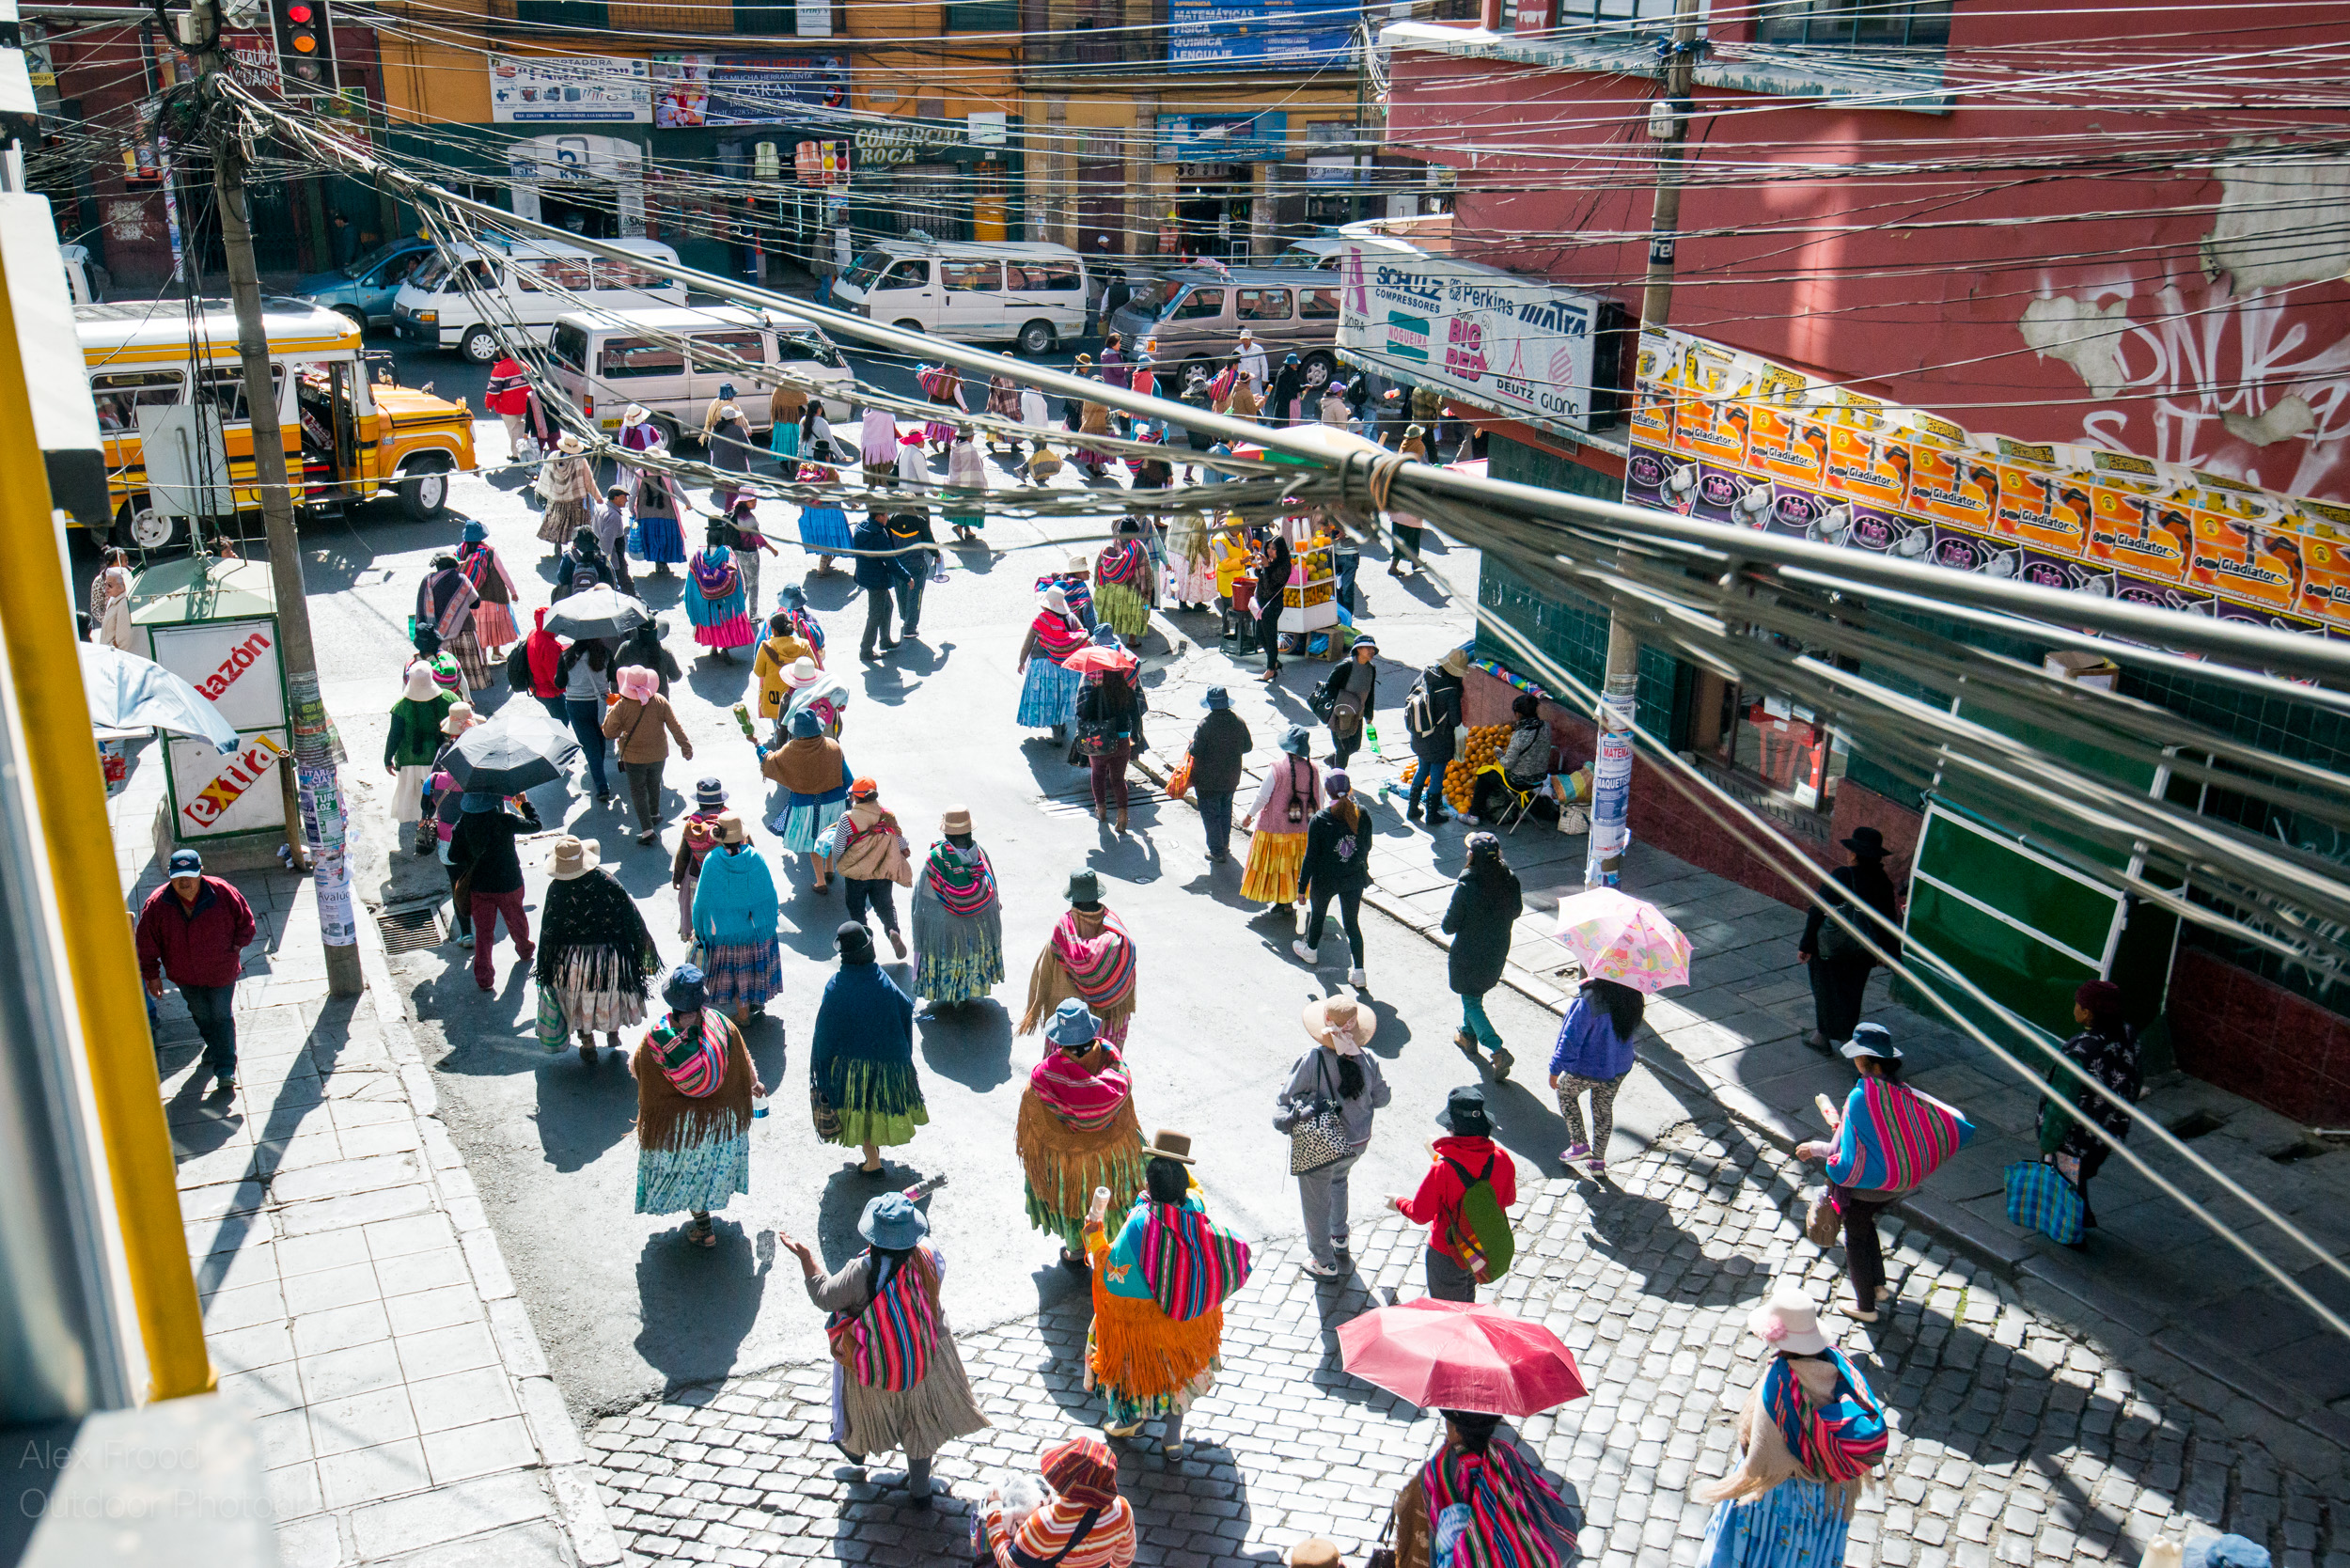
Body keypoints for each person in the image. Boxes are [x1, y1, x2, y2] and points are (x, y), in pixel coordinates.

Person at [779, 1192, 988, 1508]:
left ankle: (855, 1447)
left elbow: (825, 1297)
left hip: (875, 1362)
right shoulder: (928, 1255)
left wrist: (806, 1259)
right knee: (920, 1421)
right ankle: (921, 1491)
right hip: (927, 1357)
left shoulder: (860, 1270)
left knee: (866, 1413)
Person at [1081, 1129, 1250, 1453]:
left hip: (1146, 1325)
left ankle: (1130, 1422)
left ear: (1147, 1185)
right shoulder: (1196, 1208)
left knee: (1133, 1370)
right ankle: (1173, 1439)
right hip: (1188, 1317)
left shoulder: (1140, 1223)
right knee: (1178, 1378)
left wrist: (1094, 1235)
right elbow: (1195, 1191)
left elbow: (1111, 1271)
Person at [1794, 1023, 1973, 1323]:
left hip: (1866, 1188)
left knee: (1855, 1239)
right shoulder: (1901, 1091)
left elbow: (1840, 1151)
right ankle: (1878, 1287)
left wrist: (1811, 1148)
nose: (1854, 1061)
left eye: (1857, 1056)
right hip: (1897, 1184)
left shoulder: (1860, 1097)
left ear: (1866, 1061)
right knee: (1865, 1227)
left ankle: (1865, 1306)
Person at [1697, 1286, 1885, 1567]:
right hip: (1826, 1496)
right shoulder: (1840, 1366)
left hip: (1781, 1499)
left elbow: (1757, 1457)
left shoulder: (1777, 1385)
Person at [633, 964, 759, 1248]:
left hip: (680, 1127)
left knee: (688, 1173)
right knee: (708, 1168)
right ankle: (706, 1220)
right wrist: (753, 1084)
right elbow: (743, 1059)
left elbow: (637, 1068)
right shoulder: (719, 1024)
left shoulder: (658, 1035)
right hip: (718, 1120)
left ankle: (704, 1228)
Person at [1016, 998, 1147, 1266]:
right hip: (1111, 1159)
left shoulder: (1043, 1078)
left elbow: (1035, 1122)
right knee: (1114, 1199)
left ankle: (1077, 1251)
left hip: (1071, 1165)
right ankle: (1118, 1248)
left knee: (1075, 1204)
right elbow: (1129, 1116)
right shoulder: (1116, 1067)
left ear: (1060, 1040)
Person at [1277, 997, 1391, 1278]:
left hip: (1323, 1143)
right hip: (1357, 1143)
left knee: (1315, 1202)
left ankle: (1323, 1262)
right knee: (1339, 1180)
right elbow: (1382, 1098)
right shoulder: (1367, 1059)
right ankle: (1339, 1237)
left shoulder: (1312, 1059)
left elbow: (1285, 1097)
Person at [1387, 1410, 1581, 1568]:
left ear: (1455, 1429)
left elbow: (1433, 1535)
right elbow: (1532, 1495)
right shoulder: (1505, 1453)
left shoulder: (1442, 1469)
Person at [136, 849, 256, 1097]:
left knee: (221, 1015)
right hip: (186, 976)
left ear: (200, 873)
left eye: (190, 875)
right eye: (178, 876)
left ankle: (225, 1070)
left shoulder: (222, 892)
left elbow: (246, 923)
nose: (184, 882)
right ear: (170, 877)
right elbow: (146, 945)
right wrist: (152, 976)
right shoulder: (157, 905)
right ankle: (214, 1046)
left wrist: (235, 947)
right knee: (201, 1014)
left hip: (220, 972)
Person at [809, 920, 928, 1172]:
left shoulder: (835, 986)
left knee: (860, 1108)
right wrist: (901, 1049)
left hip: (851, 1066)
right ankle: (873, 1155)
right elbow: (906, 1006)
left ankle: (872, 1162)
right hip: (887, 1060)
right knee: (874, 1108)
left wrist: (823, 1067)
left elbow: (824, 1033)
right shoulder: (880, 979)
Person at [535, 835, 656, 1065]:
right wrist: (641, 948)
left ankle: (587, 1041)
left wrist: (546, 964)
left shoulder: (557, 889)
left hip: (572, 960)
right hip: (610, 957)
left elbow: (549, 928)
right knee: (609, 997)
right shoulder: (607, 880)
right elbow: (630, 915)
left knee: (580, 1000)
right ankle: (612, 1032)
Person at [1390, 1085, 1516, 1303]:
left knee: (1449, 1312)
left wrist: (1397, 1202)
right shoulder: (1501, 1158)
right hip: (1480, 1248)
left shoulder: (1443, 1169)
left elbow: (1420, 1214)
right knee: (1467, 1298)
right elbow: (1508, 1199)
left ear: (1453, 1129)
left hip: (1448, 1253)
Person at [2042, 979, 2142, 1235]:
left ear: (2087, 1013)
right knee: (2079, 1174)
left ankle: (2070, 1231)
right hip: (2108, 1130)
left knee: (2066, 1175)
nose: (2074, 1007)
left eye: (2078, 1004)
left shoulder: (2081, 1051)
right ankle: (2083, 1216)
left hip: (2074, 1135)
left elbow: (2061, 1104)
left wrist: (2048, 1141)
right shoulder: (2128, 1036)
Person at [1797, 825, 1902, 1055]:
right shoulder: (1883, 882)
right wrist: (1886, 954)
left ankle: (1825, 1036)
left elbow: (1818, 909)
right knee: (1851, 995)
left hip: (1833, 949)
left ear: (1854, 854)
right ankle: (1840, 1035)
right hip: (1862, 953)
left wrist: (1806, 945)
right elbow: (1888, 921)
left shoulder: (1844, 875)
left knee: (1825, 989)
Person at [1019, 870, 1139, 1047]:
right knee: (1101, 1060)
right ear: (1096, 895)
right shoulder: (1117, 932)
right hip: (1108, 1018)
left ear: (1073, 898)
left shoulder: (1063, 929)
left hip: (1072, 1022)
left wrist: (1035, 1006)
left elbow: (1043, 970)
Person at [977, 1435, 1137, 1567]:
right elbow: (1123, 1559)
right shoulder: (1122, 1510)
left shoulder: (1043, 1524)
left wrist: (995, 1511)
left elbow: (1007, 1563)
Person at [1443, 832, 1523, 1078]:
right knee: (1474, 996)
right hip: (1497, 949)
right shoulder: (1510, 880)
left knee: (1471, 1000)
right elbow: (1517, 911)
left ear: (1472, 856)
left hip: (1469, 954)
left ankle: (1498, 1049)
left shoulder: (1467, 886)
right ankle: (1467, 1035)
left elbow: (1448, 926)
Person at [692, 813, 783, 1027]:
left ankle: (742, 1016)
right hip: (755, 928)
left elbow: (702, 901)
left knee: (735, 975)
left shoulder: (713, 861)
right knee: (753, 968)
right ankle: (754, 1002)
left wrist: (699, 929)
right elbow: (769, 893)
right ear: (742, 837)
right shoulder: (755, 857)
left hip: (726, 932)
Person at [910, 806, 1004, 1009]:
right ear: (970, 831)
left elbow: (922, 897)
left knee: (952, 956)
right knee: (971, 954)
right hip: (977, 925)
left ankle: (952, 995)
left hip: (947, 929)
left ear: (946, 833)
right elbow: (992, 884)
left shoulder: (936, 859)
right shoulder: (980, 854)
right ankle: (970, 991)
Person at [1550, 977, 1645, 1176]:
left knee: (1565, 1093)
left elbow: (1571, 1039)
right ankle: (1598, 1162)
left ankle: (1579, 1143)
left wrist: (1555, 1068)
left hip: (1588, 1068)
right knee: (1603, 1109)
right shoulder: (1633, 996)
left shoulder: (1589, 1000)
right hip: (1618, 1067)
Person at [451, 791, 542, 991]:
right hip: (509, 882)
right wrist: (524, 804)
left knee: (484, 933)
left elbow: (453, 856)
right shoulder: (505, 820)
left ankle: (484, 978)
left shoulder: (463, 824)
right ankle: (525, 950)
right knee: (516, 918)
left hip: (479, 886)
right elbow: (536, 825)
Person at [1293, 770, 1373, 983]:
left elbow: (1310, 857)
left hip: (1325, 879)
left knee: (1318, 915)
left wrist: (1302, 888)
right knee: (1352, 925)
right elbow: (1366, 847)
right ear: (1350, 788)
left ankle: (1311, 950)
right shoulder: (1362, 813)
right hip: (1354, 877)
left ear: (1326, 792)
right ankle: (1359, 972)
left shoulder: (1320, 819)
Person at [822, 777, 913, 959]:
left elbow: (838, 847)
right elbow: (901, 842)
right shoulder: (887, 815)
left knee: (857, 910)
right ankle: (893, 932)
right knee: (885, 906)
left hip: (856, 874)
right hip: (881, 872)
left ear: (855, 796)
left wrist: (840, 863)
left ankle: (866, 947)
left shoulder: (847, 819)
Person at [603, 665, 694, 844]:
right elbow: (675, 726)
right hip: (659, 753)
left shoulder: (621, 707)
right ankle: (655, 813)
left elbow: (608, 732)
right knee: (654, 783)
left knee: (638, 791)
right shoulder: (659, 701)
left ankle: (647, 830)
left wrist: (612, 715)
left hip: (634, 758)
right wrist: (686, 747)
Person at [1239, 726, 1322, 925]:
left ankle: (1282, 900)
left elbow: (1263, 797)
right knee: (1296, 867)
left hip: (1275, 828)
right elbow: (1320, 799)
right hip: (1304, 831)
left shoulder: (1276, 768)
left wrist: (1249, 816)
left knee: (1277, 867)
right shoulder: (1314, 769)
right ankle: (1288, 900)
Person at [761, 708, 853, 886]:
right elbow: (847, 777)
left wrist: (759, 749)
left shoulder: (791, 750)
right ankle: (829, 869)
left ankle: (820, 882)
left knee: (814, 844)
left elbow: (772, 762)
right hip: (835, 803)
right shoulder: (833, 746)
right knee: (830, 835)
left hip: (808, 806)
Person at [1073, 635, 1142, 834]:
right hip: (1122, 742)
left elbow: (1083, 714)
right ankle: (1122, 816)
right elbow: (1136, 717)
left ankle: (1101, 810)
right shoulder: (1127, 692)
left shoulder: (1096, 692)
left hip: (1100, 742)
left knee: (1098, 775)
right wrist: (1135, 736)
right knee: (1118, 780)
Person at [1466, 693, 1557, 825]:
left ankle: (1473, 815)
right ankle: (1521, 810)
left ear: (1518, 714)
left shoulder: (1519, 735)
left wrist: (1498, 753)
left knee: (1484, 774)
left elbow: (1507, 764)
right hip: (1539, 779)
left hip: (1519, 781)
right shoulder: (1546, 727)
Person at [385, 664, 456, 829]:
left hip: (410, 759)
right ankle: (439, 818)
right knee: (439, 791)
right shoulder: (448, 698)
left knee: (415, 791)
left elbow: (394, 736)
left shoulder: (401, 706)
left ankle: (421, 819)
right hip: (440, 758)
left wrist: (387, 759)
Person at [1187, 686, 1252, 865]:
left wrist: (1191, 744)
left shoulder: (1205, 725)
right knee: (1225, 811)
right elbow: (1247, 747)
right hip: (1231, 778)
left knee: (1211, 815)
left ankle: (1217, 851)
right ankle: (1224, 845)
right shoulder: (1238, 721)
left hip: (1208, 781)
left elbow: (1196, 751)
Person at [1015, 585, 1089, 739]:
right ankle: (1061, 727)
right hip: (1068, 667)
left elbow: (1028, 643)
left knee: (1050, 701)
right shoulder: (1071, 618)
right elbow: (1083, 637)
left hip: (1043, 667)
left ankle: (1056, 734)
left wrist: (1022, 661)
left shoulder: (1040, 620)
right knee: (1063, 700)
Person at [1403, 649, 1468, 824]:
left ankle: (1412, 808)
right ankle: (1432, 814)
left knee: (1422, 769)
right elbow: (1455, 721)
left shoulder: (1425, 676)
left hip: (1420, 736)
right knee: (1437, 775)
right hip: (1440, 741)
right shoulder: (1451, 690)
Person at [668, 778, 731, 941]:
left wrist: (677, 876)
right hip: (725, 879)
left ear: (700, 803)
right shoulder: (729, 822)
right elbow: (747, 847)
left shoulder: (692, 824)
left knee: (699, 920)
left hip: (697, 878)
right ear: (721, 800)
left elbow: (683, 853)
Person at [415, 553, 489, 693]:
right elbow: (476, 603)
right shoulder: (461, 579)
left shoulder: (427, 580)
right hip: (463, 629)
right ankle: (467, 692)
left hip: (437, 635)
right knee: (465, 667)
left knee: (445, 668)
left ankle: (447, 690)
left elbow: (421, 606)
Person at [682, 521, 753, 661]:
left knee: (711, 620)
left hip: (705, 599)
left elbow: (692, 581)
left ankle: (713, 647)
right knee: (723, 619)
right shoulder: (726, 553)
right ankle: (724, 646)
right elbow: (737, 576)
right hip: (725, 598)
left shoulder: (698, 555)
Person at [556, 635, 614, 804]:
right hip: (600, 703)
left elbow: (559, 683)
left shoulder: (567, 656)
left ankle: (602, 785)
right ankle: (599, 771)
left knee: (589, 745)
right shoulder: (605, 654)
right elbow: (613, 676)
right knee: (599, 737)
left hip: (576, 705)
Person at [456, 523, 520, 658]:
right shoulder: (489, 551)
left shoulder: (460, 551)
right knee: (494, 625)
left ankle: (482, 656)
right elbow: (503, 573)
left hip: (471, 598)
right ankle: (496, 653)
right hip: (493, 595)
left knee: (479, 628)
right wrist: (513, 592)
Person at [853, 510, 909, 661]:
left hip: (865, 574)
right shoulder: (878, 535)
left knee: (887, 606)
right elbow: (891, 561)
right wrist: (907, 577)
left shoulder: (861, 527)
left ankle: (885, 640)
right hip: (877, 580)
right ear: (879, 517)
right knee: (876, 614)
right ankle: (866, 649)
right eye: (885, 514)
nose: (887, 517)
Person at [1318, 635, 1380, 768]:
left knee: (1355, 746)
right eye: (1368, 648)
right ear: (1358, 649)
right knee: (1343, 749)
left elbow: (1370, 692)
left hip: (1357, 715)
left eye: (1373, 648)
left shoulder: (1371, 668)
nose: (1371, 651)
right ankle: (1339, 781)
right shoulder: (1345, 667)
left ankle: (1332, 760)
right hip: (1340, 715)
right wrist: (1344, 702)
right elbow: (1329, 688)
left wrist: (1369, 715)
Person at [1093, 520, 1154, 647]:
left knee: (1111, 613)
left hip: (1111, 589)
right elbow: (1145, 569)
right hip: (1132, 589)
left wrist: (1097, 582)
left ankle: (1108, 641)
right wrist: (1148, 589)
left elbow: (1099, 563)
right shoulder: (1137, 547)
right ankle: (1132, 640)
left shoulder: (1111, 544)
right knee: (1138, 612)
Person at [535, 432, 596, 554]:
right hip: (576, 500)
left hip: (557, 500)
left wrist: (542, 495)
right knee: (577, 525)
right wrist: (596, 497)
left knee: (558, 524)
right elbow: (587, 481)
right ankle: (577, 548)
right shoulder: (580, 461)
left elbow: (546, 476)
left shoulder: (553, 457)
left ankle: (558, 546)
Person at [755, 613, 822, 723]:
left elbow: (759, 672)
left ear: (773, 630)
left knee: (779, 729)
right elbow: (814, 667)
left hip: (775, 701)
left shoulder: (767, 647)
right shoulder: (803, 646)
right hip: (799, 699)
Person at [885, 510, 938, 640]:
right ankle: (910, 627)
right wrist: (936, 555)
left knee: (901, 591)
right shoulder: (920, 521)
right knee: (915, 595)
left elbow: (887, 539)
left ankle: (905, 617)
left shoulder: (892, 520)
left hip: (898, 564)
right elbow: (929, 541)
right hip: (916, 565)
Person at [794, 462, 854, 573]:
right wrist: (852, 503)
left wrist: (803, 507)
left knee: (823, 537)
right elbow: (841, 491)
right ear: (827, 457)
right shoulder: (830, 472)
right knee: (830, 536)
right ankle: (823, 565)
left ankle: (824, 563)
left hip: (813, 510)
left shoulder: (807, 471)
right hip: (831, 510)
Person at [517, 607, 569, 728]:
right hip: (549, 691)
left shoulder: (534, 633)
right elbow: (556, 679)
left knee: (559, 720)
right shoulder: (549, 646)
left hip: (536, 686)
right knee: (562, 722)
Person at [631, 470, 688, 578]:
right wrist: (688, 503)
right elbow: (679, 492)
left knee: (652, 539)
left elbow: (633, 494)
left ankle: (658, 560)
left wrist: (631, 509)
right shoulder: (667, 473)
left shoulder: (639, 473)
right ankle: (662, 561)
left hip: (645, 516)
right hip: (667, 514)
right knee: (665, 538)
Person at [728, 499, 778, 619]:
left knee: (742, 582)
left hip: (736, 553)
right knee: (753, 584)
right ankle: (753, 614)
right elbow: (758, 538)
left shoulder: (735, 513)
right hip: (750, 553)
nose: (754, 503)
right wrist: (773, 550)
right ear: (744, 502)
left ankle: (737, 611)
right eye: (751, 501)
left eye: (755, 500)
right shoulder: (748, 517)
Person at [609, 618, 681, 699]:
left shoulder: (625, 648)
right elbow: (676, 675)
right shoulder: (664, 651)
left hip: (630, 699)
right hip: (659, 701)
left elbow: (613, 673)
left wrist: (616, 693)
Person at [1255, 529, 1292, 682]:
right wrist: (1259, 568)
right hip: (1261, 604)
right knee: (1259, 634)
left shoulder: (1284, 566)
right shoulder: (1269, 562)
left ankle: (1270, 669)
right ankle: (1274, 662)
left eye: (1274, 549)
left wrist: (1266, 567)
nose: (1270, 552)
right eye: (1269, 548)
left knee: (1270, 637)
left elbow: (1271, 586)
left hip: (1272, 605)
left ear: (1280, 551)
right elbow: (1262, 580)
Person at [706, 403, 755, 514]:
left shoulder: (716, 429)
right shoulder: (738, 430)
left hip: (720, 468)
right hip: (736, 469)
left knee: (729, 493)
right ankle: (733, 516)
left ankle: (732, 515)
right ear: (733, 419)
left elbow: (710, 447)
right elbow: (748, 449)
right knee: (734, 495)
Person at [1165, 509, 1217, 611]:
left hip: (1176, 551)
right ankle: (1198, 603)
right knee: (1194, 579)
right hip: (1190, 553)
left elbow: (1170, 530)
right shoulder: (1197, 516)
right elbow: (1201, 539)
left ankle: (1182, 604)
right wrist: (1206, 556)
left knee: (1180, 579)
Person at [590, 485, 636, 596]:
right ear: (615, 498)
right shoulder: (614, 516)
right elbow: (607, 543)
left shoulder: (601, 508)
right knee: (626, 587)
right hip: (615, 561)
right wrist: (608, 565)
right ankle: (643, 609)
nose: (626, 499)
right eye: (624, 497)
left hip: (602, 556)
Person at [485, 353, 533, 459]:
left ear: (502, 354)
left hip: (508, 408)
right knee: (519, 427)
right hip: (525, 405)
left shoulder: (499, 370)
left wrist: (488, 404)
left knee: (513, 430)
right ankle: (523, 449)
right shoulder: (524, 365)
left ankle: (517, 454)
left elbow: (493, 391)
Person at [944, 427, 987, 542]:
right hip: (969, 483)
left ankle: (966, 530)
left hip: (957, 482)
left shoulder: (954, 446)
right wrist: (983, 484)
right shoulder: (970, 448)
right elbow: (977, 467)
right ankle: (960, 527)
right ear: (968, 436)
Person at [554, 525, 616, 603]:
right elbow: (612, 581)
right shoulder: (602, 558)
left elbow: (562, 578)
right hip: (598, 600)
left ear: (576, 542)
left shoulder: (568, 557)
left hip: (573, 599)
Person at [769, 382, 807, 461]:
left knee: (784, 446)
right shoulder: (797, 390)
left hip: (781, 422)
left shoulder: (778, 389)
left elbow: (774, 404)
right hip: (795, 422)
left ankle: (784, 462)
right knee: (795, 447)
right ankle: (793, 467)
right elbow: (805, 404)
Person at [1268, 353, 1304, 427]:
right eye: (1295, 364)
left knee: (1278, 417)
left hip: (1279, 399)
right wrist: (1305, 387)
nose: (1296, 366)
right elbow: (1296, 388)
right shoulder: (1290, 374)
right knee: (1284, 421)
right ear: (1291, 365)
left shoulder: (1282, 370)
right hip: (1286, 403)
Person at [1235, 328, 1269, 392]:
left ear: (1251, 339)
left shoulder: (1258, 349)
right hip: (1242, 381)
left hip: (1255, 382)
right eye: (1243, 340)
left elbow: (1264, 365)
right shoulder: (1237, 350)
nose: (1244, 341)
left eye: (1246, 339)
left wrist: (1265, 379)